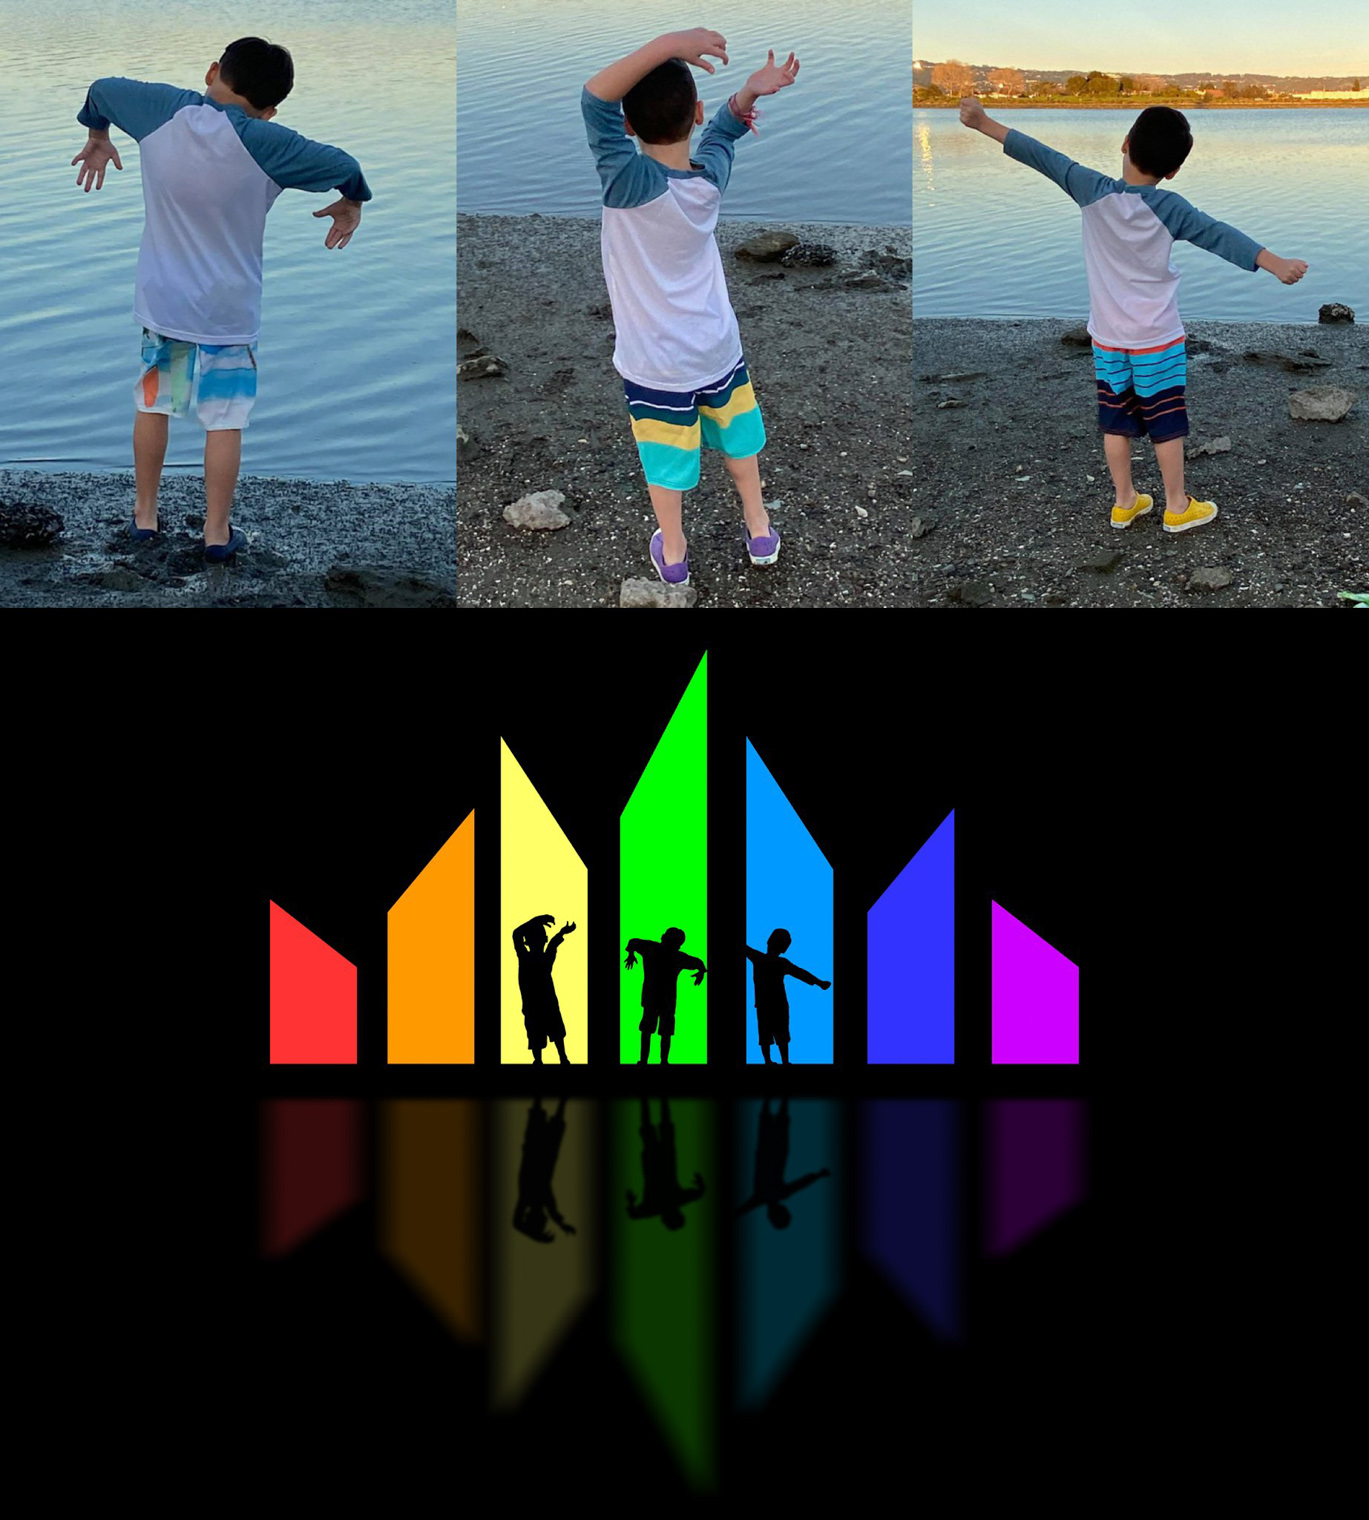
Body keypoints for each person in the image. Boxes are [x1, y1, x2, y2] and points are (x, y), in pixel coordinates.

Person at [71, 37, 372, 560]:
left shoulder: (163, 111)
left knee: (153, 403)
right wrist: (352, 201)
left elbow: (100, 91)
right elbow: (343, 165)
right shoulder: (271, 143)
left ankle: (145, 517)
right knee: (226, 419)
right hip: (228, 312)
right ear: (272, 108)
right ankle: (216, 532)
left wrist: (98, 134)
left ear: (214, 70)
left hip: (163, 302)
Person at [958, 98, 1307, 535]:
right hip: (1157, 338)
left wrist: (983, 122)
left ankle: (1125, 502)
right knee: (1165, 423)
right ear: (1174, 170)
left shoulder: (1089, 189)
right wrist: (1274, 262)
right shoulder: (1171, 208)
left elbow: (1040, 155)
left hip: (1106, 337)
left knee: (1116, 421)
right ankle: (1177, 506)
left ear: (1124, 144)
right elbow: (1219, 235)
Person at [583, 29, 800, 585]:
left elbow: (595, 99)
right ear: (696, 112)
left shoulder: (627, 180)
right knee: (739, 440)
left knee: (666, 460)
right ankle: (759, 530)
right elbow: (724, 136)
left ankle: (675, 553)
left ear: (628, 127)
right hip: (717, 347)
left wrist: (666, 44)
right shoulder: (708, 181)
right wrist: (747, 94)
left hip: (656, 365)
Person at [736, 1096, 830, 1228]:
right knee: (770, 1119)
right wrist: (818, 1175)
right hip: (770, 1152)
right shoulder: (765, 1197)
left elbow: (801, 1184)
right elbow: (801, 1184)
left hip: (774, 1152)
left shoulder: (772, 1195)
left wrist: (819, 1175)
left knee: (774, 1119)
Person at [745, 928, 830, 1065]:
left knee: (772, 1034)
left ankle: (774, 1061)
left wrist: (819, 982)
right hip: (772, 1004)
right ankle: (779, 1061)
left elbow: (801, 973)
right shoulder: (772, 961)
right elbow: (801, 973)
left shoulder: (763, 959)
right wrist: (819, 983)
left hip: (770, 1005)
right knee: (775, 1034)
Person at [625, 928, 706, 1065]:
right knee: (662, 1032)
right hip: (665, 1000)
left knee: (649, 1031)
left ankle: (647, 1061)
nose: (677, 946)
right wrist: (701, 971)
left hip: (653, 998)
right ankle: (662, 1061)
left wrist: (631, 953)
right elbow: (698, 963)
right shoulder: (676, 956)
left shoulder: (651, 948)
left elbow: (633, 942)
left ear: (663, 937)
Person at [627, 1097, 706, 1230]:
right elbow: (633, 1214)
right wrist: (631, 1202)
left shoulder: (675, 1200)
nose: (663, 1221)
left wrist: (700, 1183)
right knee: (652, 1127)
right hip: (656, 1159)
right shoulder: (655, 1207)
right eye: (666, 1221)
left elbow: (700, 1193)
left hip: (662, 1157)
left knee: (661, 1126)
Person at [512, 914, 575, 1064]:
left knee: (550, 1034)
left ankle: (560, 1058)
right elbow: (516, 934)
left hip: (544, 1005)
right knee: (538, 1036)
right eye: (538, 937)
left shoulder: (530, 958)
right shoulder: (527, 958)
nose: (541, 941)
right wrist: (538, 920)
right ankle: (556, 1059)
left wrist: (560, 933)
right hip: (537, 1006)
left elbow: (552, 944)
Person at [513, 1097, 576, 1243]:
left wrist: (537, 1235)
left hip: (536, 1149)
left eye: (541, 1222)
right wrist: (561, 1225)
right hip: (546, 1152)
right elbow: (552, 1211)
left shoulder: (527, 1198)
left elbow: (516, 1223)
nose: (544, 1220)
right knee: (552, 1118)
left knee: (541, 1115)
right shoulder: (540, 1200)